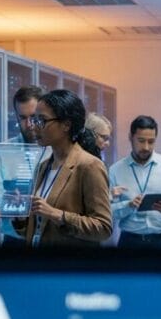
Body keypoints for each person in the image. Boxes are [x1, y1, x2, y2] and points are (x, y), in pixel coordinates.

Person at [11, 89, 112, 247]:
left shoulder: (90, 166)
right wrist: (21, 217)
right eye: (35, 120)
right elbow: (39, 230)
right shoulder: (44, 166)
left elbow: (103, 228)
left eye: (42, 120)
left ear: (66, 125)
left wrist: (56, 214)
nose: (34, 127)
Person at [108, 115, 161, 248]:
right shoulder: (115, 170)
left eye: (151, 141)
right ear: (130, 137)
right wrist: (128, 205)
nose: (146, 147)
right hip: (129, 242)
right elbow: (108, 211)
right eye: (141, 141)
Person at [0, 85, 49, 247]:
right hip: (15, 240)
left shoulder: (57, 149)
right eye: (23, 118)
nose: (29, 124)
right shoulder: (3, 151)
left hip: (50, 237)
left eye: (34, 117)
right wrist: (9, 200)